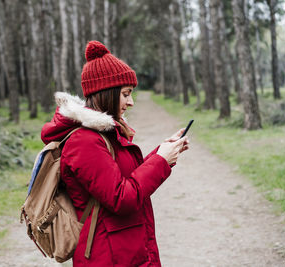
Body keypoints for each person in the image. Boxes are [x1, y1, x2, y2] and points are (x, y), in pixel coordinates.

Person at [41, 40, 189, 267]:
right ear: (106, 93)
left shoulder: (104, 135)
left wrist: (161, 154)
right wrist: (159, 162)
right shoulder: (84, 142)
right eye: (125, 94)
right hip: (107, 256)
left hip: (123, 249)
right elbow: (121, 198)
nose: (130, 102)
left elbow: (121, 179)